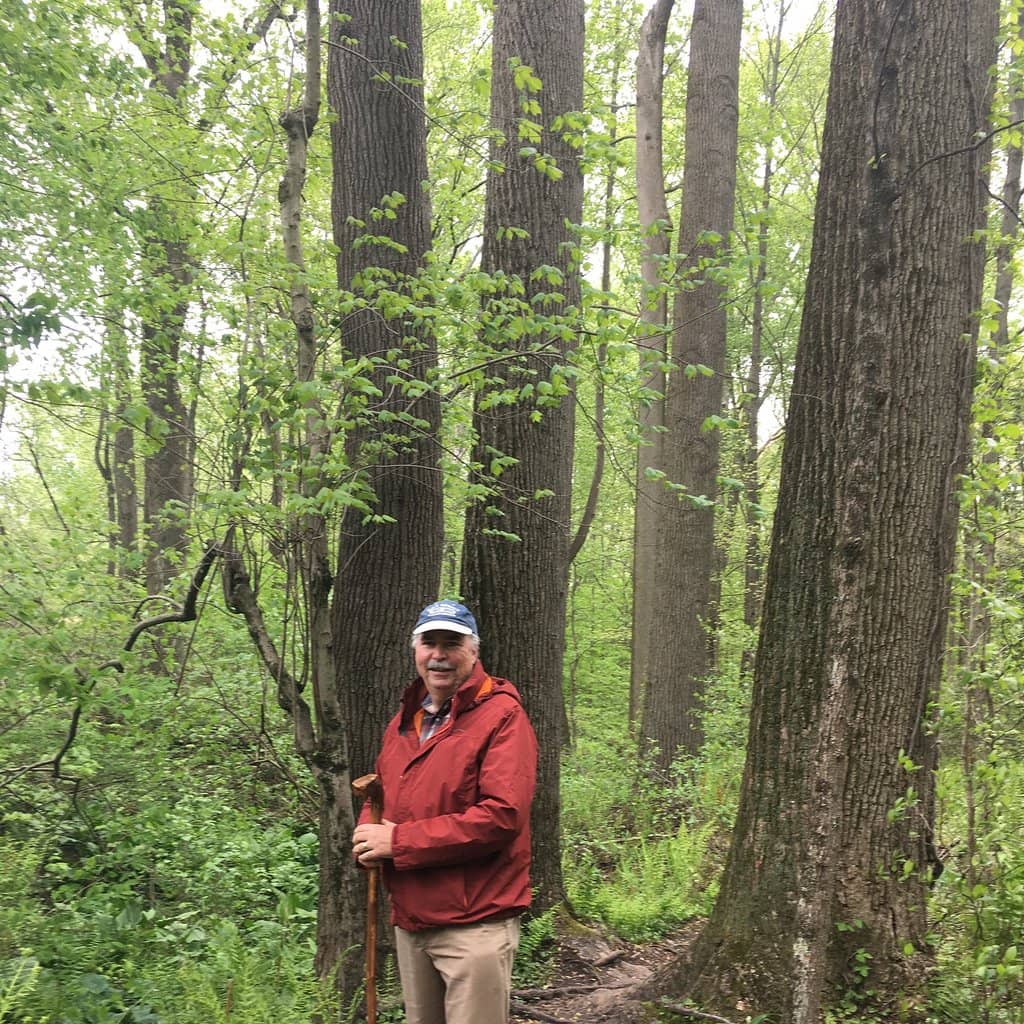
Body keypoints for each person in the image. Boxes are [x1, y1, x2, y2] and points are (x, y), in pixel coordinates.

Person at [352, 600, 538, 1024]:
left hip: (474, 923)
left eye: (451, 643)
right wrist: (368, 836)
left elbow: (501, 816)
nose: (438, 654)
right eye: (429, 642)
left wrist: (396, 843)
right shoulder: (407, 720)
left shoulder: (502, 717)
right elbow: (378, 794)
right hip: (413, 919)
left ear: (473, 651)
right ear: (415, 650)